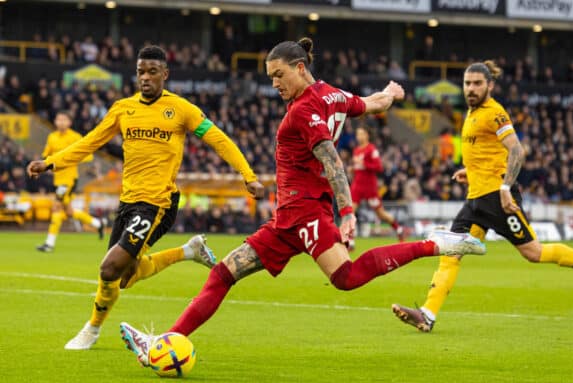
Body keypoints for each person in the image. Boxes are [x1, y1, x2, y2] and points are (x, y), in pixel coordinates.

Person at [118, 38, 485, 365]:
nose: (274, 84)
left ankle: (434, 243)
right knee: (223, 273)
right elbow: (371, 104)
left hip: (306, 211)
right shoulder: (332, 95)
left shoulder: (303, 111)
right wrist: (391, 94)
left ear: (299, 67)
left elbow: (331, 159)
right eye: (270, 78)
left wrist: (347, 212)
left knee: (346, 277)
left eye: (279, 75)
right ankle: (164, 343)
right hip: (286, 220)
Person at [27, 45, 264, 350]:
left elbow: (219, 139)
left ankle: (91, 330)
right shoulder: (123, 109)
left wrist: (248, 175)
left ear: (165, 74)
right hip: (128, 202)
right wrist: (50, 163)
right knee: (125, 277)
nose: (145, 78)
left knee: (108, 268)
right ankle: (189, 251)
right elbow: (89, 143)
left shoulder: (182, 109)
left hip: (158, 203)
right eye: (141, 72)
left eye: (153, 71)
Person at [393, 60, 573, 333]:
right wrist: (470, 171)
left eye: (477, 83)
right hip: (475, 200)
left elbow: (517, 151)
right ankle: (427, 314)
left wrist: (504, 189)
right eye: (467, 83)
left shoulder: (494, 112)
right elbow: (488, 154)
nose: (471, 88)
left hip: (496, 198)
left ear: (490, 85)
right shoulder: (471, 113)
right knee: (451, 253)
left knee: (534, 253)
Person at [36, 111, 106, 252]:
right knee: (68, 212)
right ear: (55, 121)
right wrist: (41, 166)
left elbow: (88, 156)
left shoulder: (75, 137)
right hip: (57, 180)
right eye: (58, 119)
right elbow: (46, 155)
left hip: (69, 180)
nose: (61, 122)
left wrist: (70, 160)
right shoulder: (52, 137)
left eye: (64, 119)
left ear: (69, 122)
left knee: (57, 207)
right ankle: (98, 223)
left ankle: (49, 244)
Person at [348, 125, 405, 248]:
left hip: (370, 187)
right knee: (350, 211)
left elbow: (378, 167)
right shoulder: (357, 150)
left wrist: (363, 163)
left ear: (367, 135)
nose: (359, 136)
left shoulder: (371, 149)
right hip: (357, 185)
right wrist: (353, 168)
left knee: (380, 214)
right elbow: (359, 168)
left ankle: (398, 228)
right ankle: (350, 240)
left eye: (361, 134)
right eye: (358, 134)